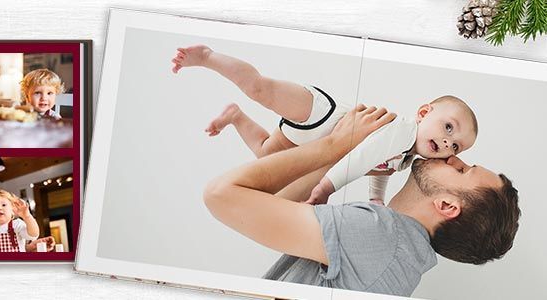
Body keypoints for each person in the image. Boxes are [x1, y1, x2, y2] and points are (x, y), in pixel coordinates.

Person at [203, 105, 520, 297]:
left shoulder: (378, 236)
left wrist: (333, 145)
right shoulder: (399, 258)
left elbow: (220, 195)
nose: (452, 155)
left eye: (462, 169)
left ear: (448, 207)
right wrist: (348, 157)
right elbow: (268, 205)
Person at [173, 45, 479, 205]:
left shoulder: (404, 159)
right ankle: (208, 57)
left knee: (266, 157)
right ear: (424, 112)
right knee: (261, 90)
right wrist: (327, 187)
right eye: (449, 128)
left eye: (456, 146)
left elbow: (378, 167)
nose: (447, 143)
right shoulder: (403, 130)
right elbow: (363, 157)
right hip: (321, 115)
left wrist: (376, 197)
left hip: (314, 145)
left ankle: (235, 116)